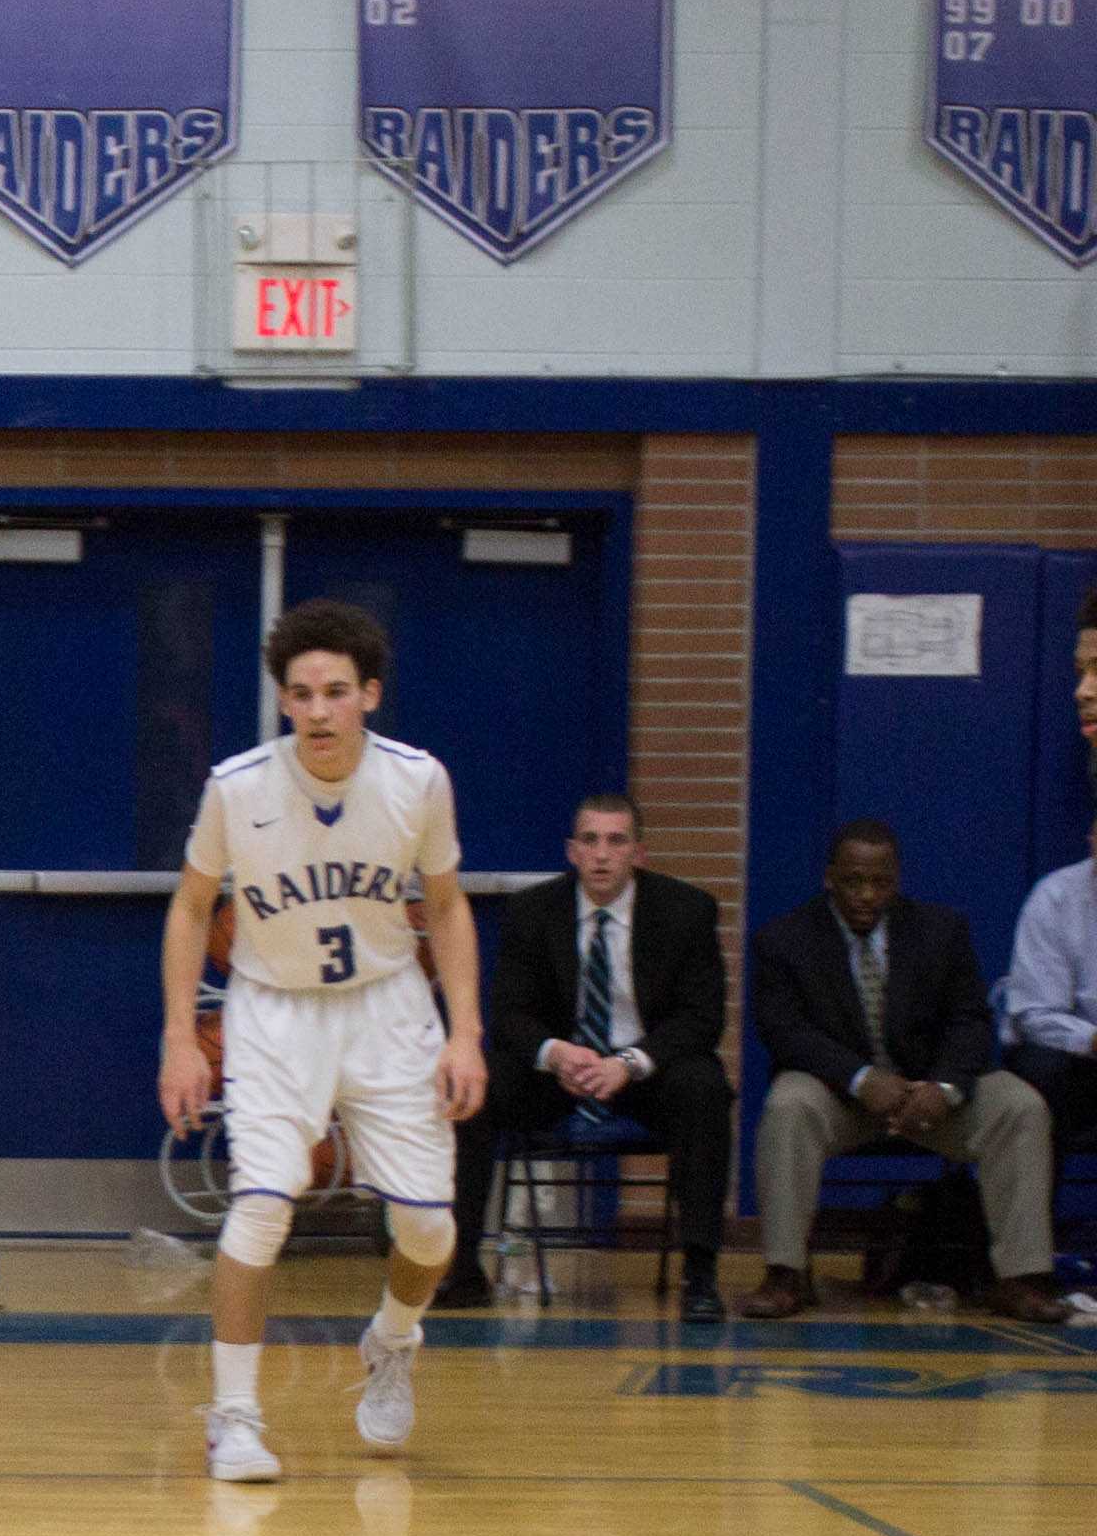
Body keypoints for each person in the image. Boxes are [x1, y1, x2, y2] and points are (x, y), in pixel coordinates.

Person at [159, 598, 483, 1484]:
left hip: (386, 1003)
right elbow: (192, 908)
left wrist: (468, 1035)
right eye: (300, 693)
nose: (317, 709)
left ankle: (393, 1338)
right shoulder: (238, 787)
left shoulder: (419, 781)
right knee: (261, 1205)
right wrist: (181, 1036)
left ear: (369, 695)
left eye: (335, 691)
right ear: (284, 702)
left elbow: (448, 910)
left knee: (427, 1227)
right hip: (275, 1010)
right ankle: (233, 1417)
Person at [739, 821, 1064, 1321]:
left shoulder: (941, 930)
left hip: (929, 1093)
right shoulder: (785, 939)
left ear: (897, 880)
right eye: (853, 881)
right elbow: (786, 1033)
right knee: (787, 1104)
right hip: (841, 1093)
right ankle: (786, 1274)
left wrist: (945, 1087)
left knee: (1021, 1105)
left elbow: (971, 1022)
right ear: (829, 878)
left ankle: (1021, 1279)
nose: (867, 896)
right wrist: (863, 1079)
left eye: (880, 882)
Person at [441, 792, 735, 1322]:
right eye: (590, 841)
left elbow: (701, 1019)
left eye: (616, 841)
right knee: (476, 1090)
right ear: (572, 851)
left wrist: (630, 1062)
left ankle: (701, 1275)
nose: (602, 854)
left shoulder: (686, 911)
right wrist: (555, 1055)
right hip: (560, 1074)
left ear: (639, 854)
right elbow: (509, 1013)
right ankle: (462, 1268)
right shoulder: (533, 911)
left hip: (645, 1072)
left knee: (705, 1088)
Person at [1000, 804, 1097, 1151]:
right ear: (1092, 840)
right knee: (1042, 1069)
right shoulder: (1055, 898)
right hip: (1078, 1061)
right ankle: (1036, 1206)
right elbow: (1035, 1016)